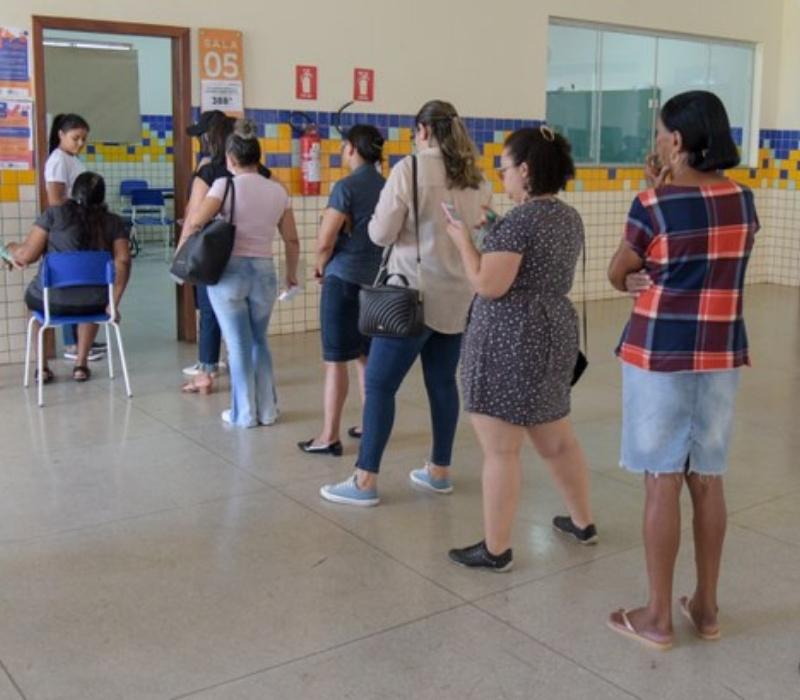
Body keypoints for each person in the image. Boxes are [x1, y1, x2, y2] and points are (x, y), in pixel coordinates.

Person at [605, 91, 759, 650]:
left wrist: (657, 192)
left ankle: (657, 616)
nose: (657, 140)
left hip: (660, 354)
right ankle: (707, 608)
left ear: (676, 140)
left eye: (660, 133)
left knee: (661, 478)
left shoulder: (652, 204)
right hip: (720, 352)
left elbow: (619, 272)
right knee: (707, 478)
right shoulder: (743, 200)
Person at [320, 99, 491, 506]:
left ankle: (365, 481)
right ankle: (439, 471)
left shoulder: (409, 169)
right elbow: (480, 234)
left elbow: (380, 233)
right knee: (442, 384)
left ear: (424, 130)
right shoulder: (476, 178)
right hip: (457, 297)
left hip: (410, 297)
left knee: (380, 384)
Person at [444, 126, 597, 572]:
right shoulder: (566, 217)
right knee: (557, 438)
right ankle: (582, 522)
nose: (502, 176)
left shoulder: (520, 222)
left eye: (505, 168)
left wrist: (463, 241)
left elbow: (488, 284)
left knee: (501, 449)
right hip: (554, 333)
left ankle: (496, 549)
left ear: (526, 170)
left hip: (511, 337)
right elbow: (534, 262)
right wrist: (496, 230)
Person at [184, 119, 300, 427]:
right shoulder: (278, 191)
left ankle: (244, 414)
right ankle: (268, 411)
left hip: (230, 274)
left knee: (237, 345)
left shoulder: (225, 186)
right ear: (257, 157)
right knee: (259, 341)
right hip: (264, 273)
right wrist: (291, 275)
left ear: (231, 158)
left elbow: (196, 221)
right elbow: (292, 239)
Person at [298, 125, 385, 456]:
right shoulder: (387, 186)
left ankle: (329, 436)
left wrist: (320, 265)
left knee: (335, 360)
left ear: (352, 149)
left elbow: (325, 239)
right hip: (375, 282)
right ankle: (369, 424)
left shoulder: (346, 187)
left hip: (343, 279)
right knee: (367, 357)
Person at [180, 111, 274, 394]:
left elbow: (194, 216)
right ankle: (243, 371)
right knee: (249, 322)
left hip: (213, 253)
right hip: (256, 256)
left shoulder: (209, 172)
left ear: (211, 138)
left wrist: (181, 256)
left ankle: (206, 373)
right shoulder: (261, 173)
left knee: (209, 313)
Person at [9, 172, 131, 382]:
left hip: (52, 302)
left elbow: (27, 255)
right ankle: (81, 365)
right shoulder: (113, 222)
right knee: (93, 291)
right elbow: (124, 261)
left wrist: (9, 249)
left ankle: (42, 368)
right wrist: (113, 303)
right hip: (96, 303)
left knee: (33, 304)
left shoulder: (53, 215)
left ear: (72, 193)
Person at [44, 113, 104, 362]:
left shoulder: (70, 158)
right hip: (68, 229)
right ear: (61, 134)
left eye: (83, 139)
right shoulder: (58, 160)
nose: (80, 143)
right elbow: (55, 200)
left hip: (80, 226)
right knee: (72, 283)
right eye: (75, 138)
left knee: (82, 281)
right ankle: (73, 344)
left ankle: (83, 338)